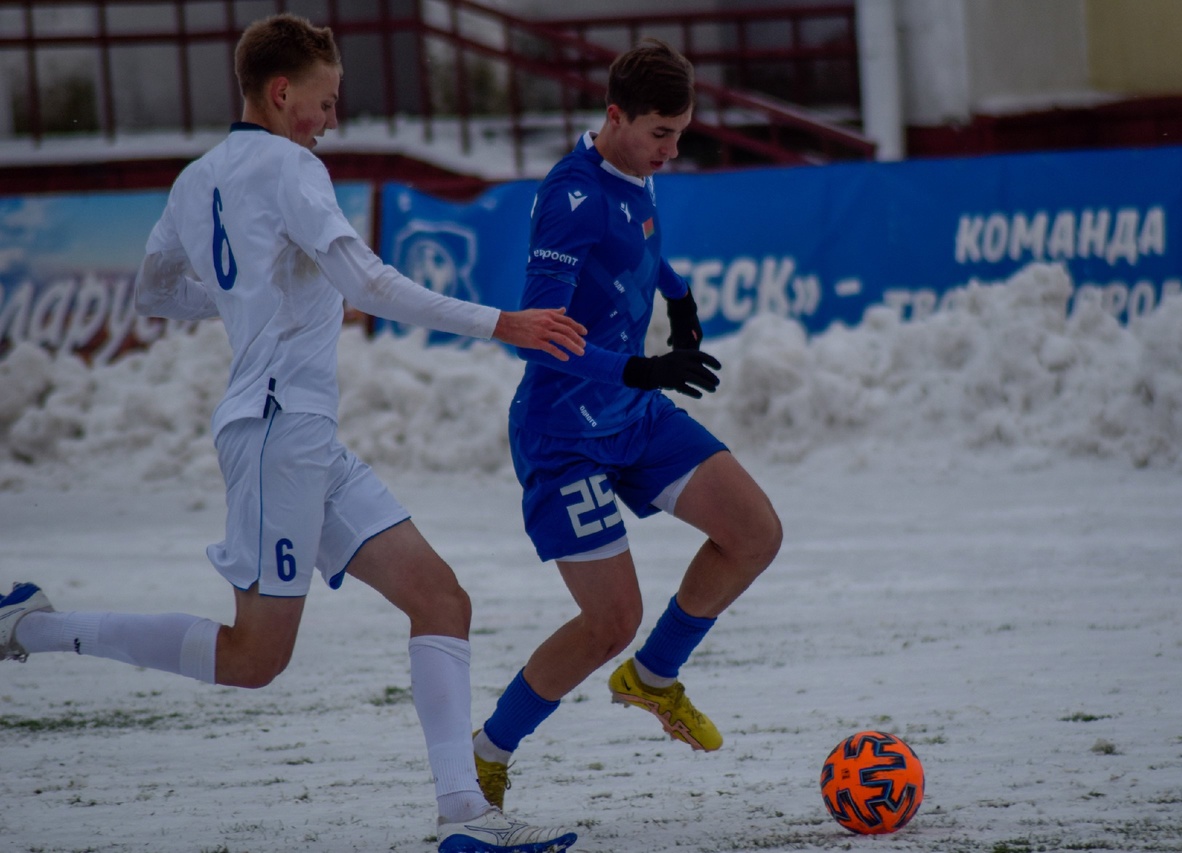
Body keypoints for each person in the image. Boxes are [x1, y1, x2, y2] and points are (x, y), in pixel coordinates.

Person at [0, 14, 585, 852]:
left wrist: (265, 294)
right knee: (254, 657)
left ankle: (464, 816)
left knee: (440, 598)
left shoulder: (195, 179)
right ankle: (32, 626)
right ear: (281, 93)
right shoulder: (291, 164)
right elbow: (370, 280)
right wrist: (503, 324)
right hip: (278, 431)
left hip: (299, 431)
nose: (330, 118)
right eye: (324, 100)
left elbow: (158, 295)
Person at [469, 39, 784, 809]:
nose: (673, 153)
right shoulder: (567, 199)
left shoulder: (633, 170)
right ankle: (487, 749)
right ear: (614, 117)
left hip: (629, 412)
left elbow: (639, 243)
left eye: (681, 134)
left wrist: (676, 295)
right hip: (564, 430)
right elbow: (541, 329)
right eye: (661, 135)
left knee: (755, 532)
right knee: (611, 618)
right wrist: (640, 368)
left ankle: (653, 677)